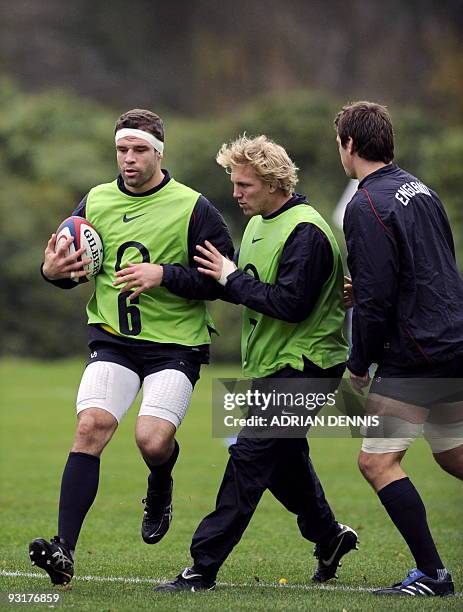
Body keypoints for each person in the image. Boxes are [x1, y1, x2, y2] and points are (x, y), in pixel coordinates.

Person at [29, 108, 234, 586]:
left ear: (159, 154)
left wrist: (165, 275)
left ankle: (159, 482)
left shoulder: (194, 207)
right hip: (114, 341)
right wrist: (51, 272)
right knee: (91, 427)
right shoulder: (95, 201)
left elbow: (225, 281)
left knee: (152, 439)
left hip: (175, 347)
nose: (129, 159)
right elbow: (66, 265)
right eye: (122, 150)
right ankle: (64, 551)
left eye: (139, 150)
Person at [156, 134, 358, 592]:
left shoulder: (305, 231)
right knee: (282, 462)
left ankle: (201, 567)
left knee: (248, 458)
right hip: (271, 365)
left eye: (244, 185)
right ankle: (328, 537)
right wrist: (195, 276)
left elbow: (290, 305)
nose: (236, 193)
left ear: (272, 183)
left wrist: (230, 277)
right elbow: (242, 286)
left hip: (307, 366)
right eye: (235, 183)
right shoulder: (257, 224)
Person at [335, 101, 463, 597]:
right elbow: (428, 265)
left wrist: (359, 364)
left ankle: (433, 575)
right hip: (450, 339)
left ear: (349, 145)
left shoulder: (365, 205)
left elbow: (377, 301)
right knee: (454, 453)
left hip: (416, 352)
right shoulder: (420, 188)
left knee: (377, 462)